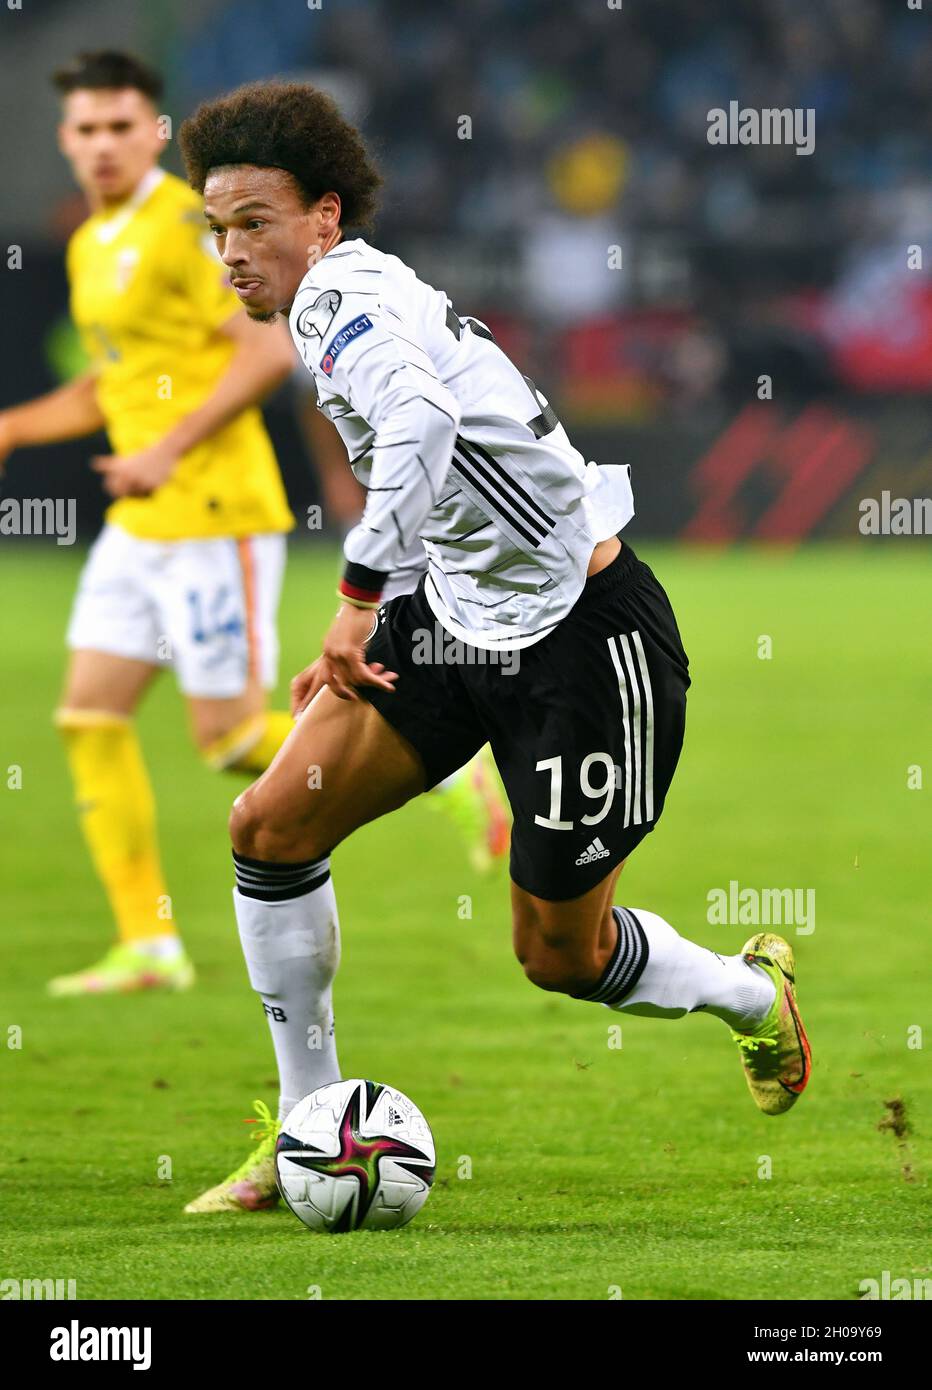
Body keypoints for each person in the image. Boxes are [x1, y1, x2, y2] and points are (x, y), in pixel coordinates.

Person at [177, 80, 811, 1214]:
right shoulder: (348, 300)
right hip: (453, 618)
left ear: (324, 216)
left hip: (583, 643)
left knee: (558, 955)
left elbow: (418, 425)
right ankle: (302, 1128)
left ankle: (751, 997)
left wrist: (358, 600)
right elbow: (437, 470)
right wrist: (396, 607)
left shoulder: (335, 301)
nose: (230, 250)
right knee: (268, 827)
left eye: (253, 222)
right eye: (214, 226)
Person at [0, 52, 297, 995]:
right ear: (65, 140)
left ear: (155, 132)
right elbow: (112, 384)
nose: (101, 145)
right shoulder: (95, 243)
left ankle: (430, 754)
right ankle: (151, 944)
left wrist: (169, 446)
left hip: (215, 509)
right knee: (88, 714)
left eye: (120, 126)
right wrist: (14, 426)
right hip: (141, 521)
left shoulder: (184, 225)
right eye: (85, 130)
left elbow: (267, 342)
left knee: (231, 741)